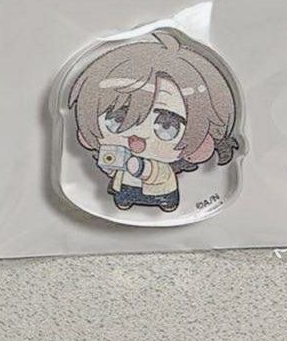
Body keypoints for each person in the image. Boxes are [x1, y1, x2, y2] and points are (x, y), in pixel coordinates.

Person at [67, 29, 240, 212]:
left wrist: (141, 168)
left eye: (167, 126)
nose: (136, 135)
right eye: (117, 119)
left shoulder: (161, 166)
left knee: (161, 194)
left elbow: (156, 174)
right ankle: (124, 199)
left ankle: (165, 202)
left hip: (159, 190)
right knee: (124, 193)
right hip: (124, 187)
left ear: (203, 144)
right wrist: (110, 165)